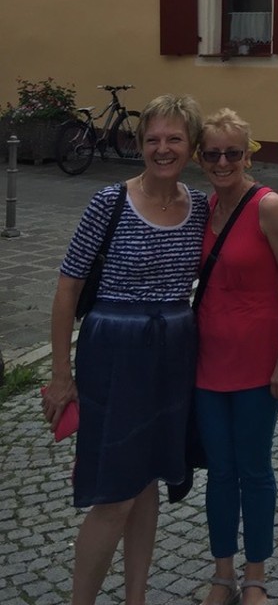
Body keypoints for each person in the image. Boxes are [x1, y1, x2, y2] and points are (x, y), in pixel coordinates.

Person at [43, 94, 207, 605]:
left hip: (173, 354)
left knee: (148, 482)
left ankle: (136, 597)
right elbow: (68, 289)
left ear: (192, 147)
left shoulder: (200, 207)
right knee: (115, 492)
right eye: (153, 139)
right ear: (139, 144)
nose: (163, 149)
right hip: (115, 353)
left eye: (174, 139)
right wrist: (61, 375)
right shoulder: (109, 201)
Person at [194, 109, 278, 605]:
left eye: (233, 153)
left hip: (259, 359)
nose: (223, 162)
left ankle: (255, 575)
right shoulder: (202, 210)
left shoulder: (268, 206)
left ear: (248, 154)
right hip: (206, 359)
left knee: (254, 470)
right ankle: (223, 574)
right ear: (201, 157)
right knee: (219, 472)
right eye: (213, 153)